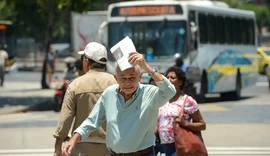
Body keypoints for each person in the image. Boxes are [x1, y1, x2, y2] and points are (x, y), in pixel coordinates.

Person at [63, 52, 176, 156]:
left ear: (140, 77)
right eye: (123, 78)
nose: (127, 82)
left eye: (132, 78)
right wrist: (74, 138)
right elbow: (93, 120)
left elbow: (170, 91)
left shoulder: (150, 94)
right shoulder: (109, 93)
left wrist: (147, 68)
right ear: (116, 78)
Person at [53, 42, 117, 156]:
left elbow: (65, 119)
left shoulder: (75, 85)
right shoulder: (116, 83)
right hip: (111, 147)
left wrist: (58, 147)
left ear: (86, 62)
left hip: (81, 147)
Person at [157, 66, 206, 156]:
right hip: (163, 146)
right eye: (167, 77)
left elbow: (202, 125)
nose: (169, 80)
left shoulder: (187, 101)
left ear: (180, 82)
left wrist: (185, 124)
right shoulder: (162, 99)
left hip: (180, 145)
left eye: (173, 77)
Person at [148, 78, 165, 156]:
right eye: (152, 86)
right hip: (150, 140)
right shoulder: (146, 101)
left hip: (164, 140)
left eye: (157, 86)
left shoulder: (167, 101)